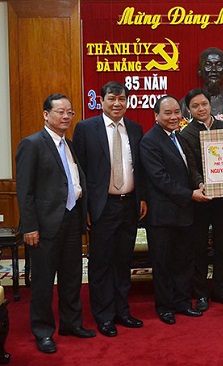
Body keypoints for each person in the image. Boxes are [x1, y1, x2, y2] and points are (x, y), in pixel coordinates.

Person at [16, 94, 96, 353]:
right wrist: (30, 227)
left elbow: (72, 181)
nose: (65, 116)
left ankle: (71, 323)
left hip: (72, 221)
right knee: (43, 282)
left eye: (70, 113)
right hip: (45, 225)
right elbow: (25, 191)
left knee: (72, 278)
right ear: (45, 114)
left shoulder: (69, 144)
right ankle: (43, 331)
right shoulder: (32, 144)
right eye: (60, 112)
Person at [73, 81, 147, 337]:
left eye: (122, 99)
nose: (117, 104)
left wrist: (142, 198)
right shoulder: (85, 129)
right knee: (101, 263)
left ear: (127, 101)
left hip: (128, 205)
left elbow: (141, 168)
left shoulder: (135, 129)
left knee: (122, 261)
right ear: (101, 101)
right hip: (101, 207)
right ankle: (103, 316)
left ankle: (122, 312)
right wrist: (86, 208)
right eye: (112, 99)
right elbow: (79, 172)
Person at [140, 95, 212, 325]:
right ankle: (165, 307)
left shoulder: (177, 137)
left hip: (183, 213)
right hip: (162, 215)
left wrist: (198, 184)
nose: (173, 117)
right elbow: (160, 179)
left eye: (176, 113)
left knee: (183, 260)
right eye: (167, 113)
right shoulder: (150, 141)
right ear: (156, 116)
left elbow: (188, 169)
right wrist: (190, 194)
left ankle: (182, 302)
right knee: (163, 263)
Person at [180, 88, 223, 311]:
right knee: (199, 248)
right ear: (189, 109)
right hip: (201, 200)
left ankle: (222, 290)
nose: (201, 109)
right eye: (195, 106)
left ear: (210, 104)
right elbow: (191, 167)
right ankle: (201, 293)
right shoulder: (185, 134)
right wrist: (200, 184)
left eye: (204, 104)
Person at [181, 47, 223, 118]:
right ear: (199, 71)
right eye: (208, 65)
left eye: (218, 65)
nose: (213, 70)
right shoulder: (185, 104)